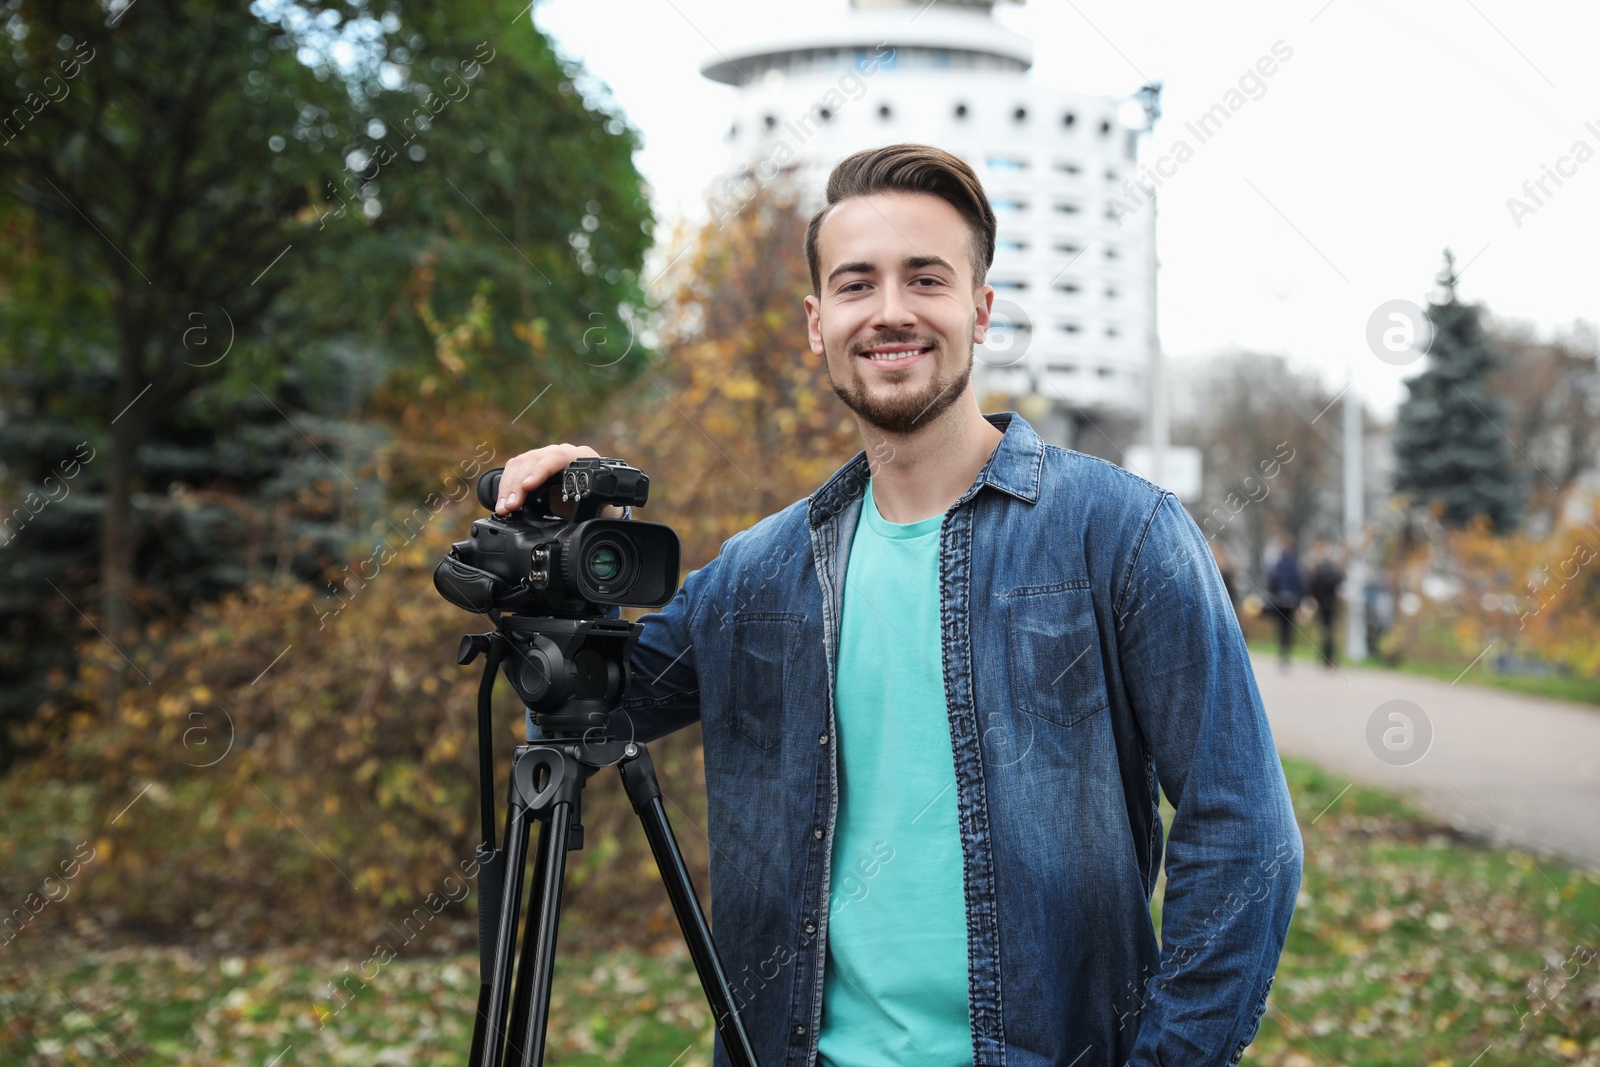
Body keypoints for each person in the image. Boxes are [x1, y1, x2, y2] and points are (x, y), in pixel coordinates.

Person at [496, 145, 1301, 1067]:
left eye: (926, 278)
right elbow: (582, 704)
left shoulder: (1121, 534)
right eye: (856, 284)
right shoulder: (760, 573)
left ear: (981, 309)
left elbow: (1246, 837)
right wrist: (553, 549)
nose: (890, 312)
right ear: (816, 320)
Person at [1266, 536, 1305, 670]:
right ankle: (1285, 652)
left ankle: (1284, 653)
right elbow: (1299, 583)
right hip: (1289, 601)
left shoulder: (1278, 564)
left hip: (1282, 601)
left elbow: (1272, 582)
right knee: (1287, 628)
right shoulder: (1293, 564)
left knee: (1283, 628)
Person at [1307, 540, 1346, 668]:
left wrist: (1314, 597)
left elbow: (1312, 584)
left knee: (1324, 630)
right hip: (1332, 601)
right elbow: (1341, 580)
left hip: (1322, 601)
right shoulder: (1334, 567)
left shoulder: (1318, 567)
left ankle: (1324, 657)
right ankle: (1332, 657)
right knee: (1331, 630)